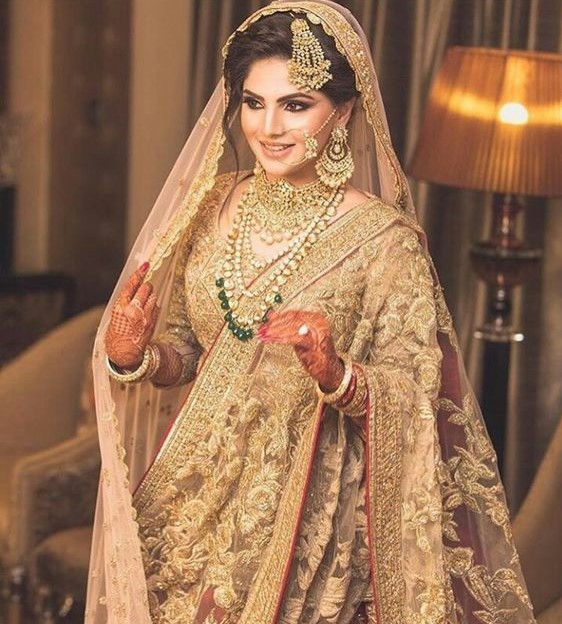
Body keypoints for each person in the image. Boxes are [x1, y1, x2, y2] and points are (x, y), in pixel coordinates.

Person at [86, 2, 536, 623]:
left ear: (343, 111)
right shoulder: (210, 205)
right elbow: (191, 348)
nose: (269, 127)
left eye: (296, 105)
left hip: (312, 518)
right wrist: (135, 357)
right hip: (190, 507)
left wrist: (336, 373)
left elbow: (418, 392)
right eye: (254, 102)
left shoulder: (383, 240)